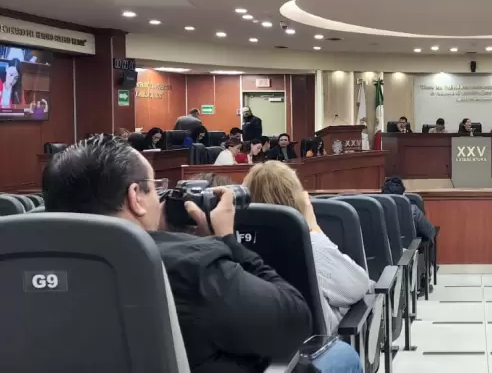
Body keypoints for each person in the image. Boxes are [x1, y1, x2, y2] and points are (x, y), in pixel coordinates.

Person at [40, 135, 319, 373]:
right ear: (135, 197)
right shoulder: (193, 266)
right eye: (155, 188)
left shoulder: (29, 265)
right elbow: (295, 322)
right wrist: (227, 240)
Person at [244, 161, 372, 336]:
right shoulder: (309, 245)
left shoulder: (235, 245)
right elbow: (358, 287)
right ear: (297, 199)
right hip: (312, 345)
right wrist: (314, 229)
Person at [380, 177, 436, 241]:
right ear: (403, 195)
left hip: (380, 247)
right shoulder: (412, 210)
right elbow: (430, 232)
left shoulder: (376, 210)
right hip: (407, 247)